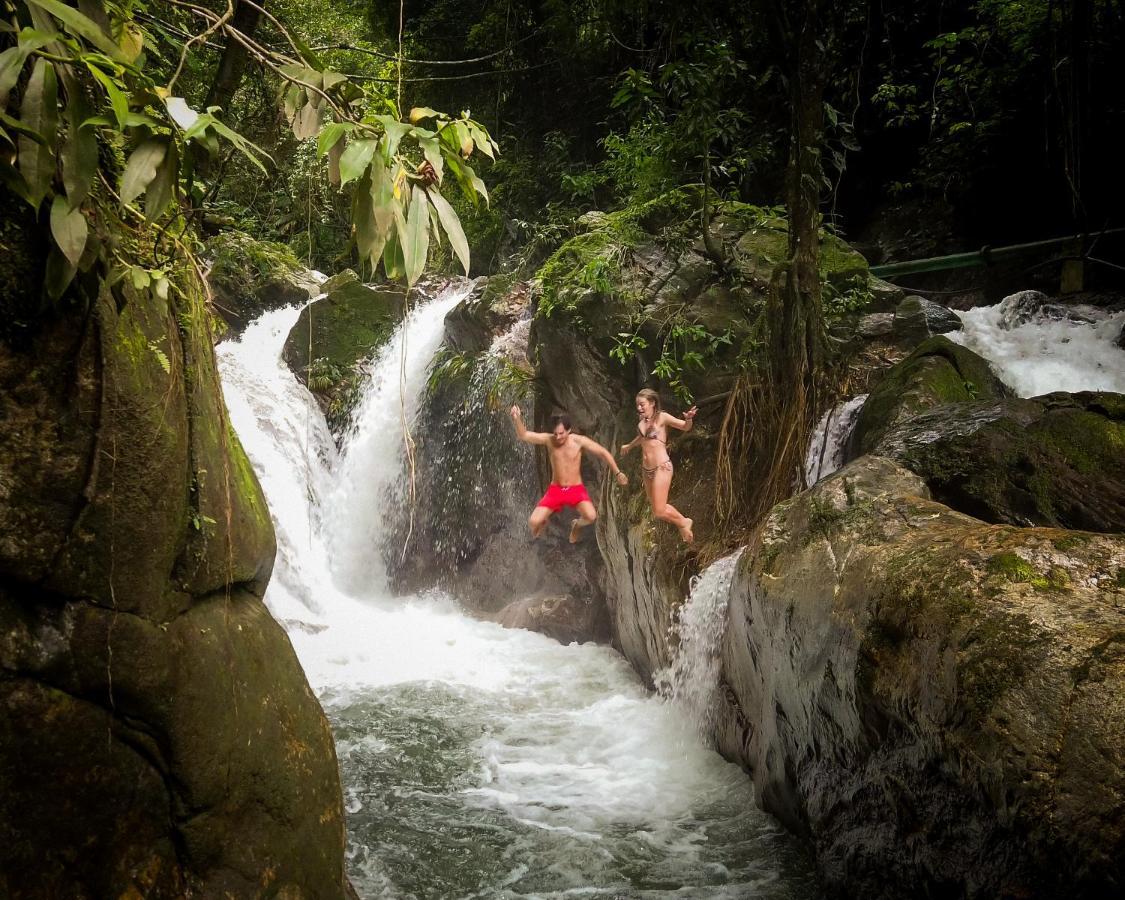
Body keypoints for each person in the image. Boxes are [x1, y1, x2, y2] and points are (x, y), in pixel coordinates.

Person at [510, 406, 628, 543]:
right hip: (556, 490)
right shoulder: (549, 440)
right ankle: (544, 520)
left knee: (591, 516)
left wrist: (618, 472)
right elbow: (523, 435)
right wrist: (516, 418)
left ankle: (576, 524)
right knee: (533, 523)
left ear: (569, 430)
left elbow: (603, 453)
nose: (558, 437)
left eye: (561, 433)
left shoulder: (579, 441)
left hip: (575, 489)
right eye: (555, 434)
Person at [619, 388, 696, 543]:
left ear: (652, 403)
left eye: (642, 404)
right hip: (647, 470)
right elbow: (642, 438)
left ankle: (684, 522)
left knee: (660, 510)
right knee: (656, 510)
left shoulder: (662, 417)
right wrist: (629, 445)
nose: (639, 408)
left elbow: (685, 427)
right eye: (637, 405)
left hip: (662, 466)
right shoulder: (642, 422)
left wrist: (688, 419)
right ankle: (682, 524)